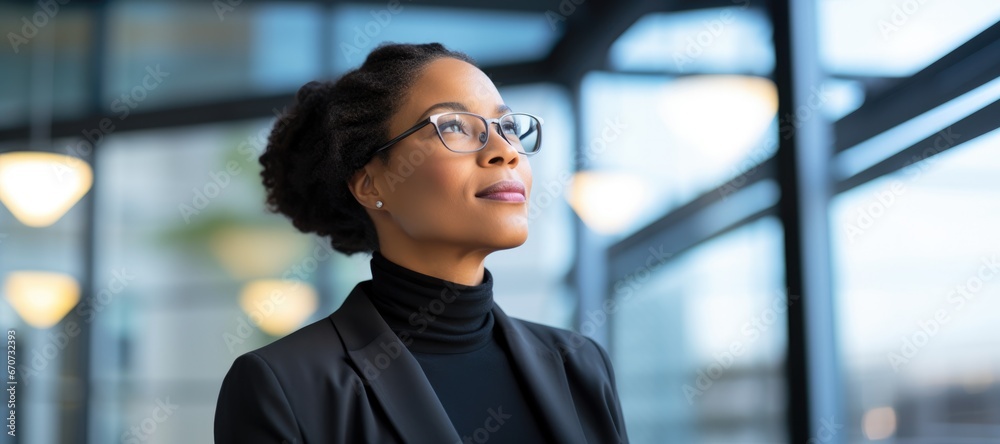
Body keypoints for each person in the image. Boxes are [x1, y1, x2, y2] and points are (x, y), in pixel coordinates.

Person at [213, 42, 629, 444]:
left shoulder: (579, 363)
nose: (505, 151)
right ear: (371, 184)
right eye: (452, 126)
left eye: (507, 126)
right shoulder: (285, 385)